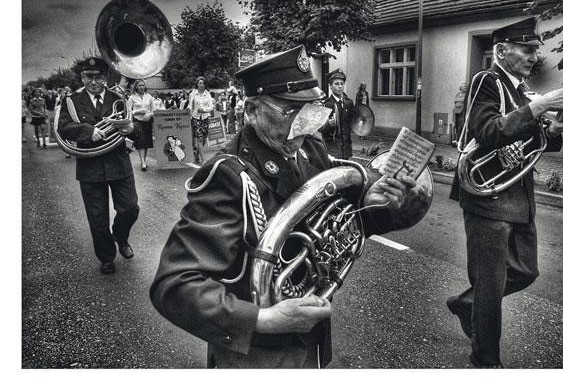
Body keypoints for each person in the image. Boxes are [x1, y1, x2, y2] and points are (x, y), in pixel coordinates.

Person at [150, 45, 419, 368]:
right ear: (251, 111)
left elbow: (339, 225)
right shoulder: (229, 175)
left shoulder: (310, 148)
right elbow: (174, 285)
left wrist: (373, 206)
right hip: (257, 356)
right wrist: (261, 318)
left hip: (310, 337)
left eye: (307, 111)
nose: (302, 126)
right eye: (288, 112)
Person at [448, 18, 563, 368]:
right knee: (490, 289)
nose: (534, 56)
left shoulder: (522, 91)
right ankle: (486, 361)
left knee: (525, 270)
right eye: (527, 49)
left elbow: (537, 142)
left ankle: (466, 304)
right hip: (487, 198)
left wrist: (555, 129)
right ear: (502, 50)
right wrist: (538, 107)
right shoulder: (486, 82)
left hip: (518, 197)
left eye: (536, 50)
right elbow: (487, 131)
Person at [57, 57, 140, 275]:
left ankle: (120, 237)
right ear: (82, 77)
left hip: (118, 163)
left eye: (98, 77)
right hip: (90, 167)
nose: (93, 82)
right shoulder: (71, 101)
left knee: (130, 208)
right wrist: (88, 131)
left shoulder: (118, 98)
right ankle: (106, 256)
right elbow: (63, 127)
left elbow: (135, 130)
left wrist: (131, 128)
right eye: (88, 77)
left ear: (105, 78)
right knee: (97, 217)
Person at [321, 68, 355, 159]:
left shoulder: (349, 103)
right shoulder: (326, 104)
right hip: (332, 148)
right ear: (330, 86)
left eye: (342, 84)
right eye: (336, 84)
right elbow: (319, 128)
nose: (340, 86)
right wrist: (328, 124)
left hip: (346, 147)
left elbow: (353, 121)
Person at [128, 79, 154, 171]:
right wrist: (137, 111)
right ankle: (143, 162)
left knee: (146, 142)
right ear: (136, 87)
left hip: (147, 121)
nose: (142, 87)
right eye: (140, 86)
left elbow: (152, 110)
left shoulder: (149, 97)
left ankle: (144, 160)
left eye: (143, 85)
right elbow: (129, 111)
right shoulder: (132, 97)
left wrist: (150, 115)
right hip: (137, 121)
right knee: (140, 141)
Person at [188, 77, 214, 164]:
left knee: (204, 139)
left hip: (205, 118)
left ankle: (196, 155)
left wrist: (204, 110)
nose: (201, 85)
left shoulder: (208, 94)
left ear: (205, 85)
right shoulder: (193, 93)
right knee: (199, 138)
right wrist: (188, 111)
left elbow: (211, 107)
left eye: (203, 83)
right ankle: (203, 160)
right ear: (197, 84)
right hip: (195, 118)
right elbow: (190, 106)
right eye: (199, 83)